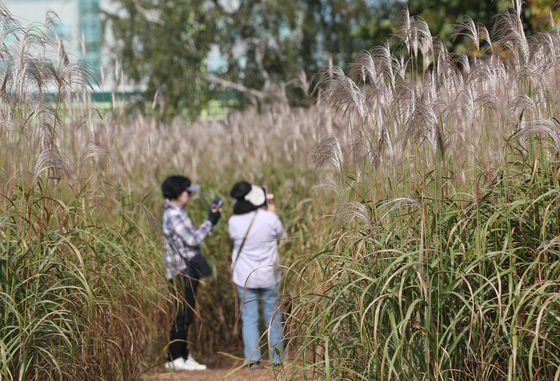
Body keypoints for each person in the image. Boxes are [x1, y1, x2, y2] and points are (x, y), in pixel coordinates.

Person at [161, 175, 221, 371]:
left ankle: (182, 356)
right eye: (187, 191)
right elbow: (193, 240)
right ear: (177, 193)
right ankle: (176, 357)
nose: (190, 194)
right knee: (182, 314)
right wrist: (210, 222)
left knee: (185, 314)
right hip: (181, 272)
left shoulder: (177, 212)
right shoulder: (174, 215)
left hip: (183, 270)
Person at [228, 181, 286, 368]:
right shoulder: (270, 218)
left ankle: (253, 360)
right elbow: (282, 237)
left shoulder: (233, 221)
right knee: (274, 317)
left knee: (250, 318)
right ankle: (277, 360)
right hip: (269, 275)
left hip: (244, 276)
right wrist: (271, 212)